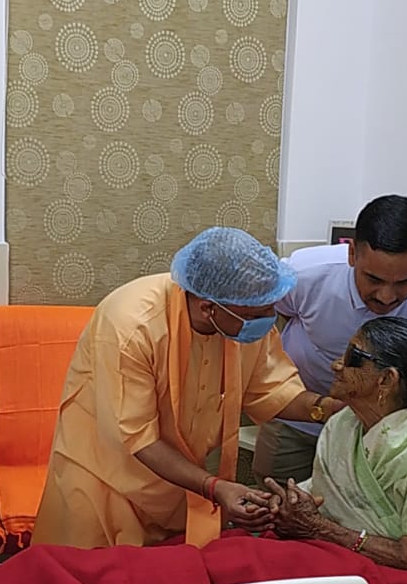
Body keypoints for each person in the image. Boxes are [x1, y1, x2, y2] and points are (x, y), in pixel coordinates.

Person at [32, 227, 343, 549]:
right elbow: (140, 439)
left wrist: (329, 410)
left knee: (168, 573)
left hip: (178, 480)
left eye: (270, 309)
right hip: (104, 477)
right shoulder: (133, 327)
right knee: (90, 573)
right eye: (258, 314)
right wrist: (214, 487)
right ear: (208, 308)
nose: (269, 321)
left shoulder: (239, 319)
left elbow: (271, 390)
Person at [256, 196, 407, 484]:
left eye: (404, 282)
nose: (386, 297)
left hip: (386, 438)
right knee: (277, 501)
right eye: (373, 279)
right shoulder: (303, 275)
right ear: (352, 252)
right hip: (300, 421)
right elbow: (275, 319)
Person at [265, 317, 407, 574]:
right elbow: (330, 490)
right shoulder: (346, 421)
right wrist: (285, 502)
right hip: (337, 553)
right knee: (239, 558)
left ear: (386, 380)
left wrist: (318, 528)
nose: (336, 365)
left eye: (352, 358)